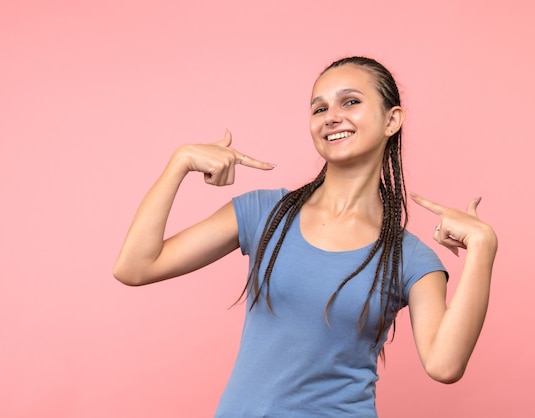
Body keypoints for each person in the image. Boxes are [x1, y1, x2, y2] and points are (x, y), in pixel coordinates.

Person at [113, 56, 498, 417]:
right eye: (319, 108)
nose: (332, 117)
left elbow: (445, 365)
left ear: (391, 120)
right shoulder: (265, 213)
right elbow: (135, 267)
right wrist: (178, 163)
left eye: (350, 102)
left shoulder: (409, 258)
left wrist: (482, 247)